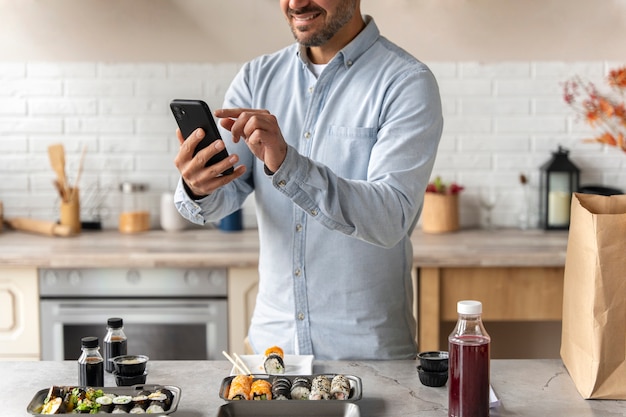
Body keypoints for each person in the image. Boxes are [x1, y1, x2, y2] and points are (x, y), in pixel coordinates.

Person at [173, 0, 443, 360]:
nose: (296, 3)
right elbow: (224, 195)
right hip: (271, 355)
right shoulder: (257, 77)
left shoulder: (406, 82)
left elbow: (391, 217)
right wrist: (198, 186)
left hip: (368, 357)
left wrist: (289, 164)